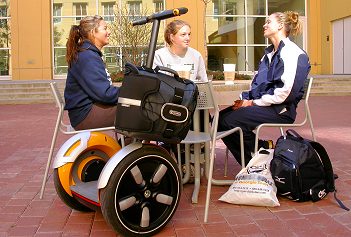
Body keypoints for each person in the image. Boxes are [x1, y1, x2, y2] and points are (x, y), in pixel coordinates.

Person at [218, 11, 311, 165]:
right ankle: (257, 154)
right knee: (220, 120)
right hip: (266, 105)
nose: (264, 25)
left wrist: (254, 103)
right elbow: (258, 85)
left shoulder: (292, 53)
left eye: (268, 22)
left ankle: (255, 162)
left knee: (230, 122)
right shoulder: (268, 54)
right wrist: (245, 99)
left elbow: (286, 92)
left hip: (281, 110)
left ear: (280, 25)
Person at [64, 15, 119, 130]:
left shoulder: (89, 54)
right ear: (93, 32)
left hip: (86, 111)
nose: (109, 32)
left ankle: (130, 147)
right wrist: (131, 92)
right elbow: (105, 94)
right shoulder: (87, 56)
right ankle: (131, 148)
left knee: (135, 109)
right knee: (140, 111)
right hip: (85, 116)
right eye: (105, 28)